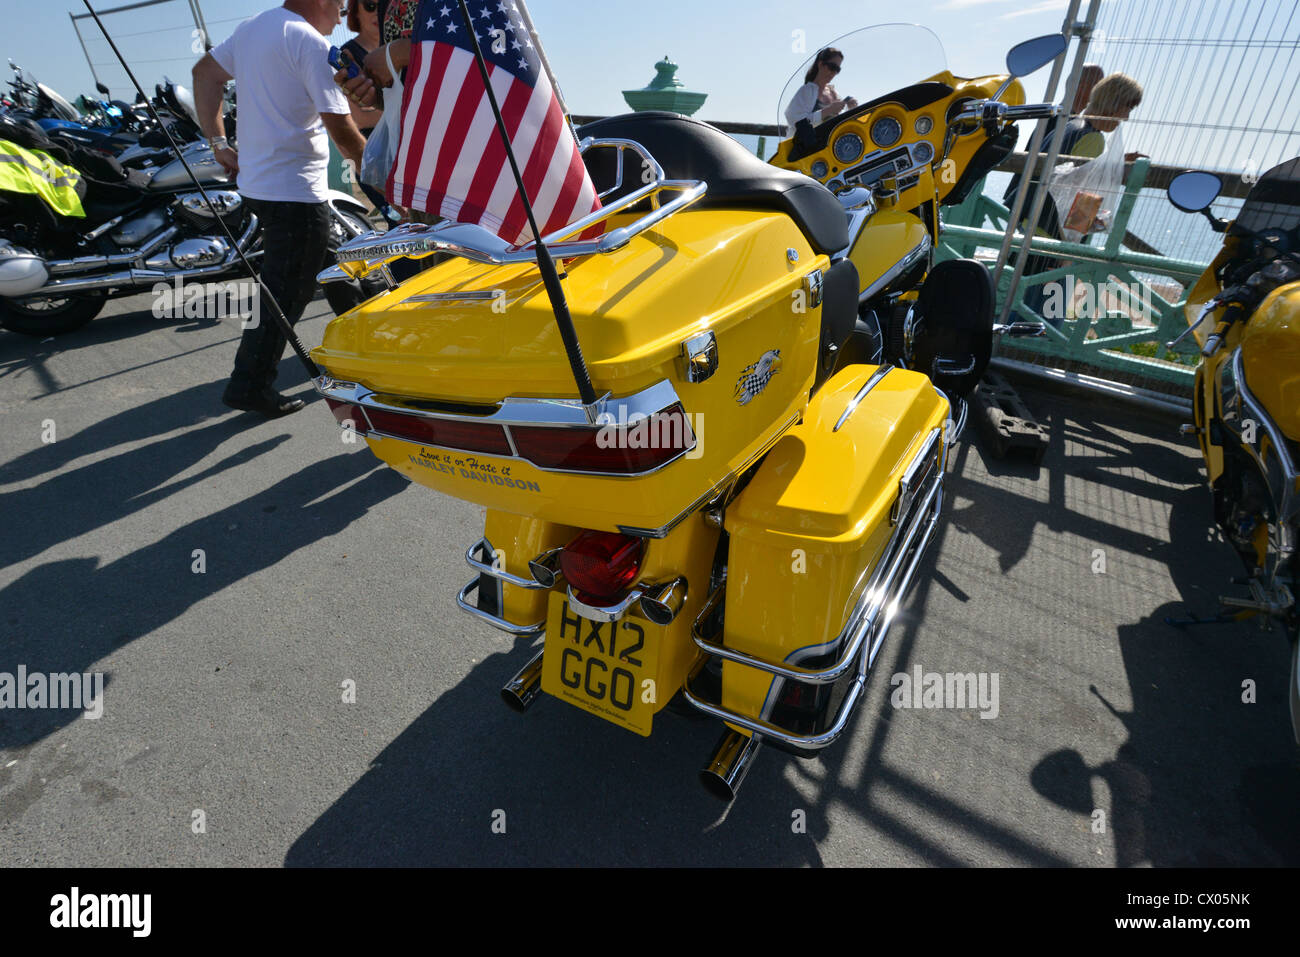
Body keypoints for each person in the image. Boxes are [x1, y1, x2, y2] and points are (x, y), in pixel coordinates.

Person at [192, 0, 367, 417]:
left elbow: (204, 74)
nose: (343, 12)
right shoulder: (308, 41)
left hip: (263, 185)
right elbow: (341, 128)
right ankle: (248, 386)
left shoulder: (256, 26)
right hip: (295, 193)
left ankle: (368, 353)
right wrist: (384, 176)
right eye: (340, 5)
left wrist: (218, 143)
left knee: (334, 271)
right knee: (285, 296)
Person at [1008, 72, 1146, 325]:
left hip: (1031, 227)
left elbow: (1063, 175)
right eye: (1126, 108)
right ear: (1113, 104)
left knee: (1025, 307)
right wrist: (1067, 253)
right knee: (1046, 318)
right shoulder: (1093, 139)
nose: (1126, 118)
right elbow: (1079, 202)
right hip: (1053, 240)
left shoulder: (1069, 126)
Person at [784, 48, 858, 132]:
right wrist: (829, 110)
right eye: (832, 67)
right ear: (820, 64)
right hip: (811, 144)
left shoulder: (834, 93)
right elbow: (794, 121)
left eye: (837, 69)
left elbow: (839, 124)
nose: (834, 72)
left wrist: (851, 109)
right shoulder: (807, 90)